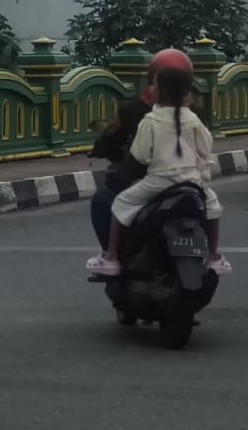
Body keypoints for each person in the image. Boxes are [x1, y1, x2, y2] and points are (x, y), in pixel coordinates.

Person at [86, 65, 229, 277]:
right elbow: (206, 147)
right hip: (191, 184)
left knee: (120, 204)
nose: (151, 88)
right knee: (213, 208)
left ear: (159, 90)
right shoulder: (194, 118)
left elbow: (141, 155)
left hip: (158, 183)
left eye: (154, 84)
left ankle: (111, 257)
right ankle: (214, 257)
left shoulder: (150, 120)